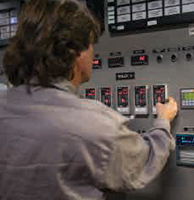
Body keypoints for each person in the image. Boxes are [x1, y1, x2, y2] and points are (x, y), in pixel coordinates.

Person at [0, 0, 178, 199]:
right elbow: (141, 164)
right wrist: (163, 122)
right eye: (91, 44)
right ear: (77, 54)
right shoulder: (94, 123)